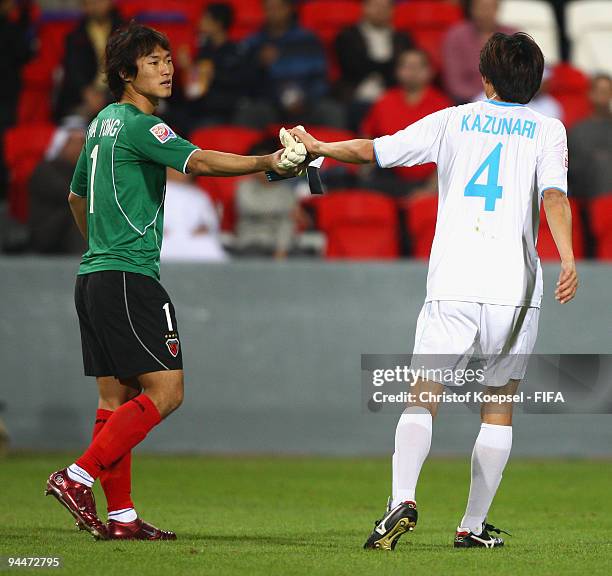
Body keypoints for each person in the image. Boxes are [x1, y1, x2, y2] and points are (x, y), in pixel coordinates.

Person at [290, 32, 577, 549]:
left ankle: (402, 497)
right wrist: (569, 257)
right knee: (499, 404)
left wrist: (318, 147)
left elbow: (375, 151)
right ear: (533, 82)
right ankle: (470, 526)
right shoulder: (548, 130)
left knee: (423, 395)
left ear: (484, 77)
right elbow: (553, 196)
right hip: (515, 287)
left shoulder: (454, 119)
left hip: (454, 280)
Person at [44, 23, 303, 541]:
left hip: (93, 276)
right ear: (125, 73)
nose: (167, 68)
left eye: (168, 59)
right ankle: (76, 477)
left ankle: (120, 519)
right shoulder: (141, 125)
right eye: (154, 61)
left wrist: (101, 245)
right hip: (128, 277)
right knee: (167, 391)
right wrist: (269, 161)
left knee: (114, 401)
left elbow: (77, 198)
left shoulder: (100, 126)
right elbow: (201, 161)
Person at [237, 0, 344, 129]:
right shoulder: (253, 43)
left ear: (290, 9)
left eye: (278, 8)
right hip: (270, 104)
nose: (274, 13)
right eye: (269, 8)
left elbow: (321, 77)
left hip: (307, 102)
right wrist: (258, 64)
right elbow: (245, 83)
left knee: (331, 111)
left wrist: (306, 98)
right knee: (250, 112)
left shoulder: (308, 39)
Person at [361, 48, 451, 194]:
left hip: (430, 181)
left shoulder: (442, 106)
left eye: (418, 67)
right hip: (389, 178)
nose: (412, 72)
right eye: (407, 67)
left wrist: (428, 190)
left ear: (430, 71)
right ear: (397, 71)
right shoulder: (384, 102)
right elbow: (368, 138)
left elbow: (449, 153)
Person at [335, 0, 413, 128]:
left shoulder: (402, 38)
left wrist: (375, 66)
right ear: (364, 8)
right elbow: (351, 66)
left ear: (392, 11)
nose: (380, 11)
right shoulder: (347, 35)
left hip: (395, 95)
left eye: (385, 7)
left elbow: (403, 69)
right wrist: (386, 66)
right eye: (375, 6)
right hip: (355, 95)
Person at [175, 2, 244, 126]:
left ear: (218, 23)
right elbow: (194, 87)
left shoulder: (236, 52)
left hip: (223, 112)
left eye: (205, 18)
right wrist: (186, 69)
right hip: (196, 108)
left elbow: (239, 83)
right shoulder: (203, 51)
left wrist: (204, 72)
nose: (200, 22)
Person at [55, 0, 124, 121]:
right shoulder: (75, 35)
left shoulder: (126, 31)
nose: (96, 5)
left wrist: (108, 96)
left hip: (117, 95)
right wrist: (87, 93)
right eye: (90, 2)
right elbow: (72, 69)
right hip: (83, 97)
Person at [29, 123, 87, 254]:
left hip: (65, 230)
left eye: (83, 142)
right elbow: (69, 194)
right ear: (62, 145)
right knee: (77, 206)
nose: (82, 147)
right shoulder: (45, 169)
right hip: (47, 231)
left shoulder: (81, 169)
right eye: (76, 143)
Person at [442, 0, 515, 103]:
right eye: (481, 8)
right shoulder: (456, 36)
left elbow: (521, 73)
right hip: (468, 102)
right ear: (471, 9)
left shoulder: (512, 35)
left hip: (510, 99)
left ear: (497, 9)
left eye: (490, 7)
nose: (485, 12)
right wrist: (485, 98)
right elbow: (454, 82)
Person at [161, 168, 227, 262]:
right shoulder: (155, 191)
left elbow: (210, 222)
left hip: (194, 239)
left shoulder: (198, 194)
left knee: (209, 248)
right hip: (165, 239)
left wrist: (204, 228)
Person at [568, 74, 612, 200]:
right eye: (599, 91)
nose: (602, 96)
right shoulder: (577, 130)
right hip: (587, 198)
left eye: (606, 91)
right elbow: (571, 169)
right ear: (590, 94)